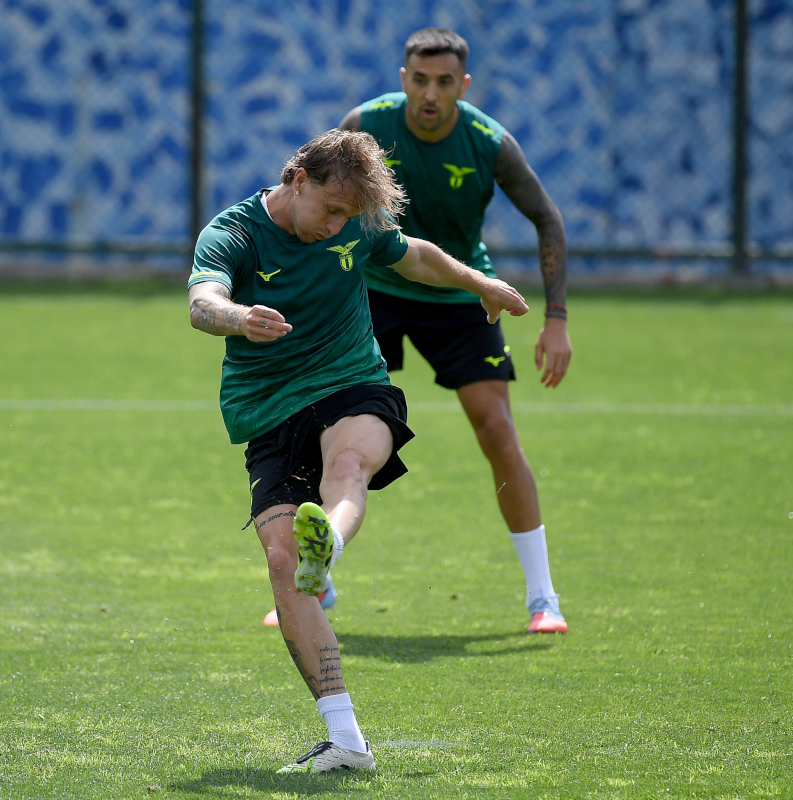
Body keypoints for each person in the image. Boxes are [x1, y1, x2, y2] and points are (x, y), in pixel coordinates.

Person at [188, 129, 529, 773]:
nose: (337, 225)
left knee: (350, 466)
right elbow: (202, 302)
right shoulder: (232, 232)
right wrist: (239, 318)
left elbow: (415, 257)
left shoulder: (353, 223)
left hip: (353, 383)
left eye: (349, 215)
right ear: (297, 181)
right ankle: (346, 741)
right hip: (269, 411)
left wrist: (477, 282)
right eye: (331, 209)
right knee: (283, 564)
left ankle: (332, 549)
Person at [337, 27, 573, 634]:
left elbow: (548, 221)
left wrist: (556, 321)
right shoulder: (365, 127)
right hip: (377, 290)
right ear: (403, 80)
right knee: (336, 427)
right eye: (420, 80)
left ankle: (543, 599)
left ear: (463, 86)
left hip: (464, 290)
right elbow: (320, 208)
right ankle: (315, 578)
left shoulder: (489, 143)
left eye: (445, 82)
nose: (430, 94)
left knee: (496, 428)